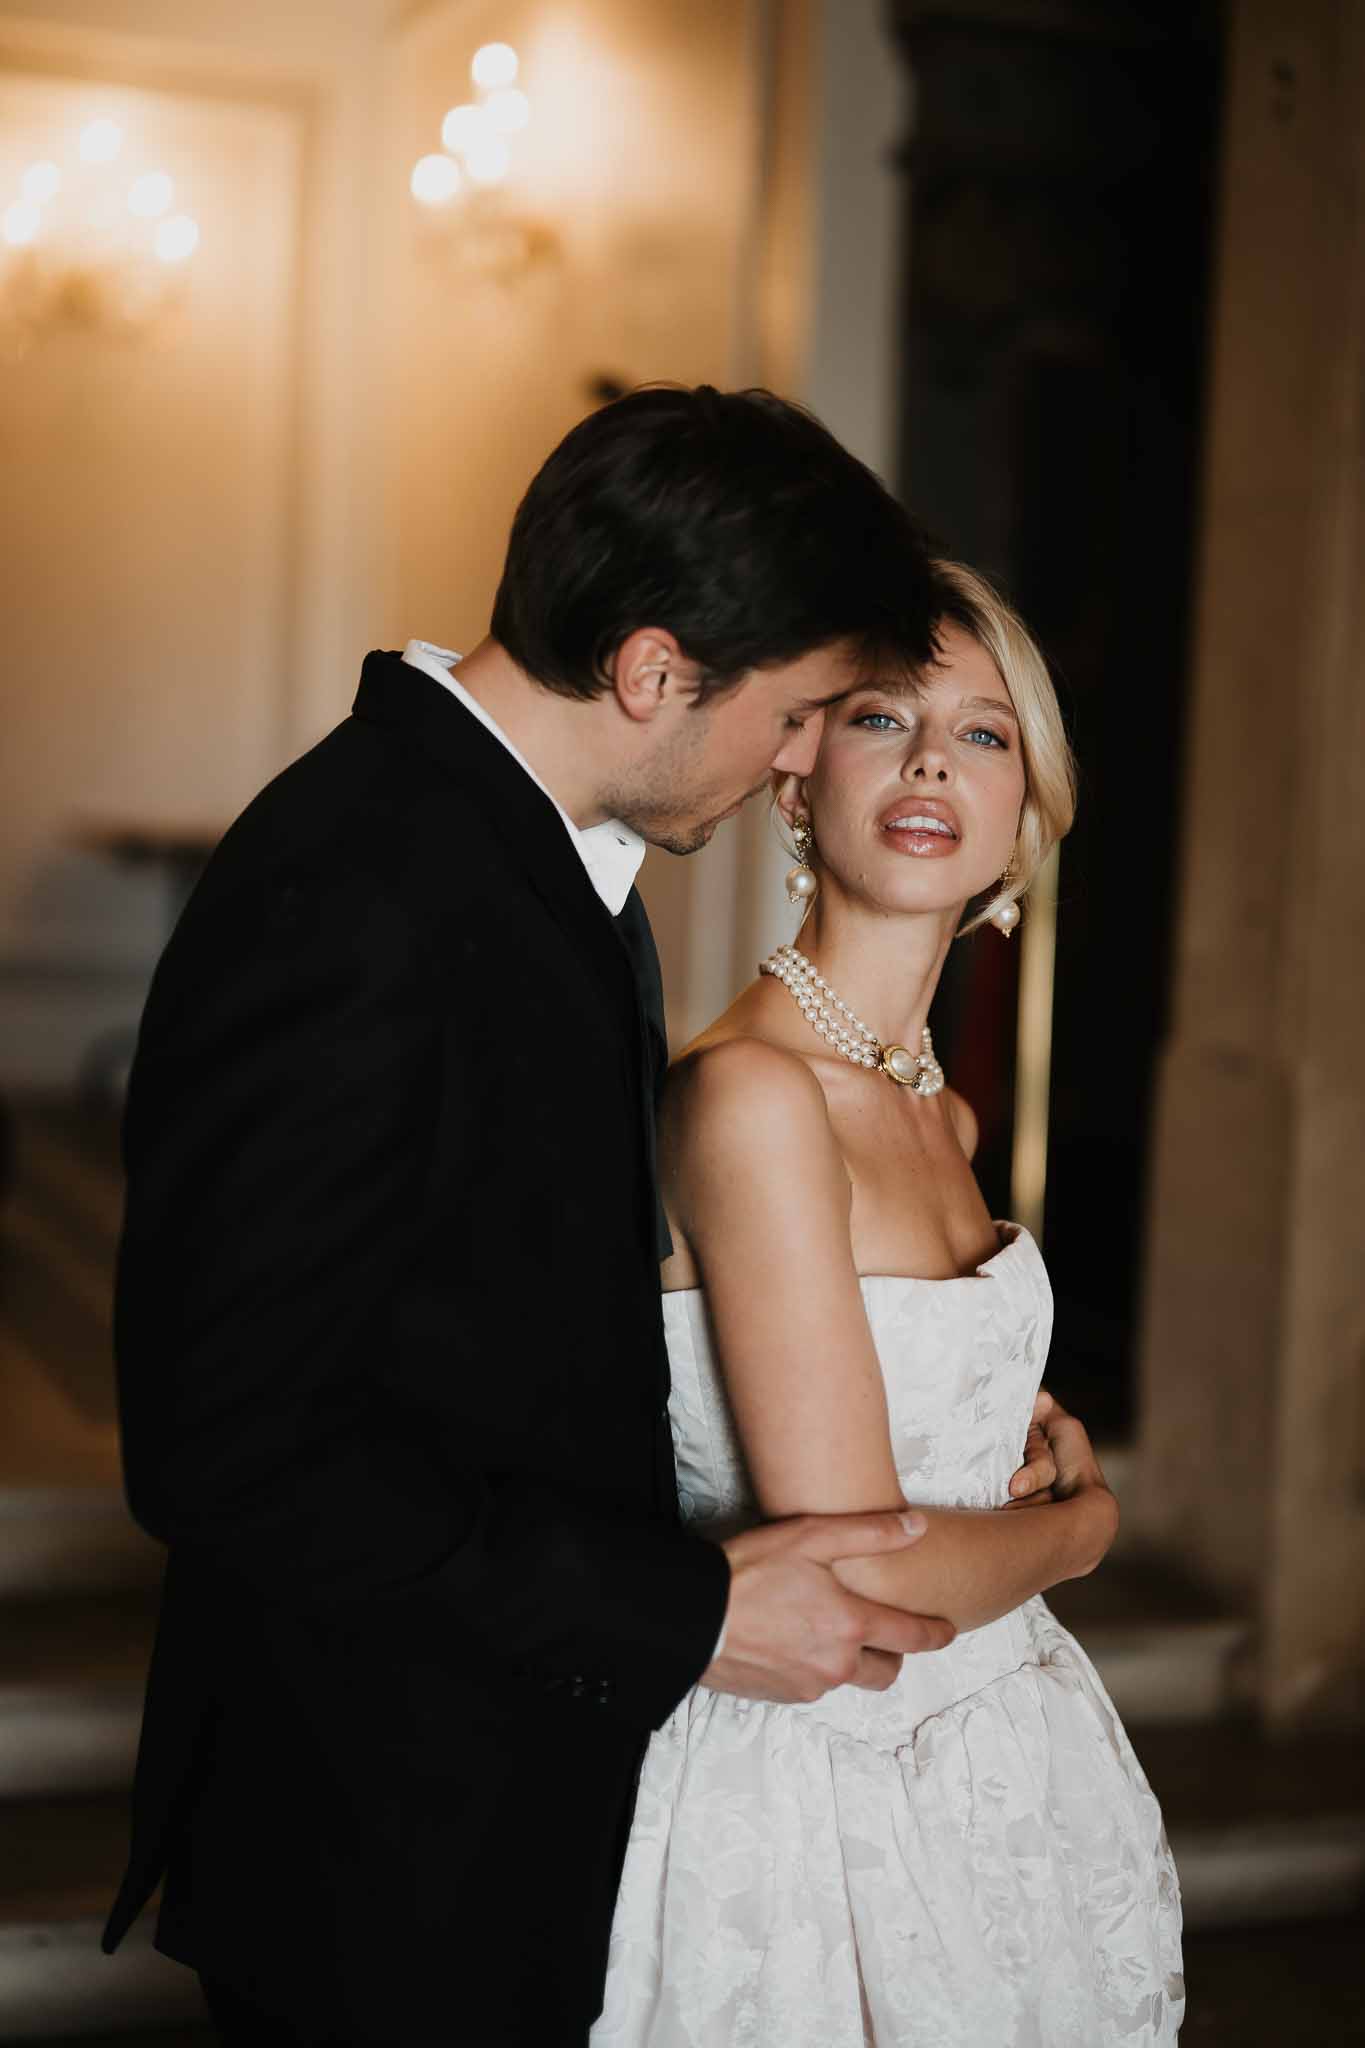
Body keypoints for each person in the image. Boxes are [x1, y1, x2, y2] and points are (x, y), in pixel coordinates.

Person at [102, 388, 1065, 2046]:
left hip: (502, 1794)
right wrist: (685, 1609)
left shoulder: (532, 862)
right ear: (648, 670)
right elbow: (226, 1442)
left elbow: (520, 1300)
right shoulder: (362, 886)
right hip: (382, 1838)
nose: (796, 758)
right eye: (802, 716)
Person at [593, 559, 1184, 2047]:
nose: (931, 760)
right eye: (881, 718)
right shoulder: (750, 1096)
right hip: (816, 1788)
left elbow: (924, 1396)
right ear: (794, 781)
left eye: (982, 735)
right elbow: (853, 1579)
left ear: (1024, 815)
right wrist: (1086, 1525)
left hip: (1000, 1758)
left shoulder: (942, 1116)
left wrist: (1013, 1421)